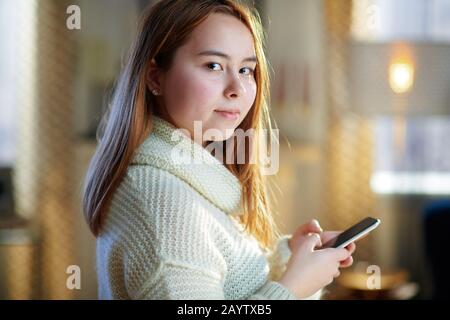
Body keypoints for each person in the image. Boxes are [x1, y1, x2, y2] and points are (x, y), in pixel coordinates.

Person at [83, 0, 355, 300]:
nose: (237, 88)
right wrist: (293, 287)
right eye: (213, 65)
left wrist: (287, 260)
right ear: (155, 76)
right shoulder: (163, 202)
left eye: (246, 69)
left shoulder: (191, 179)